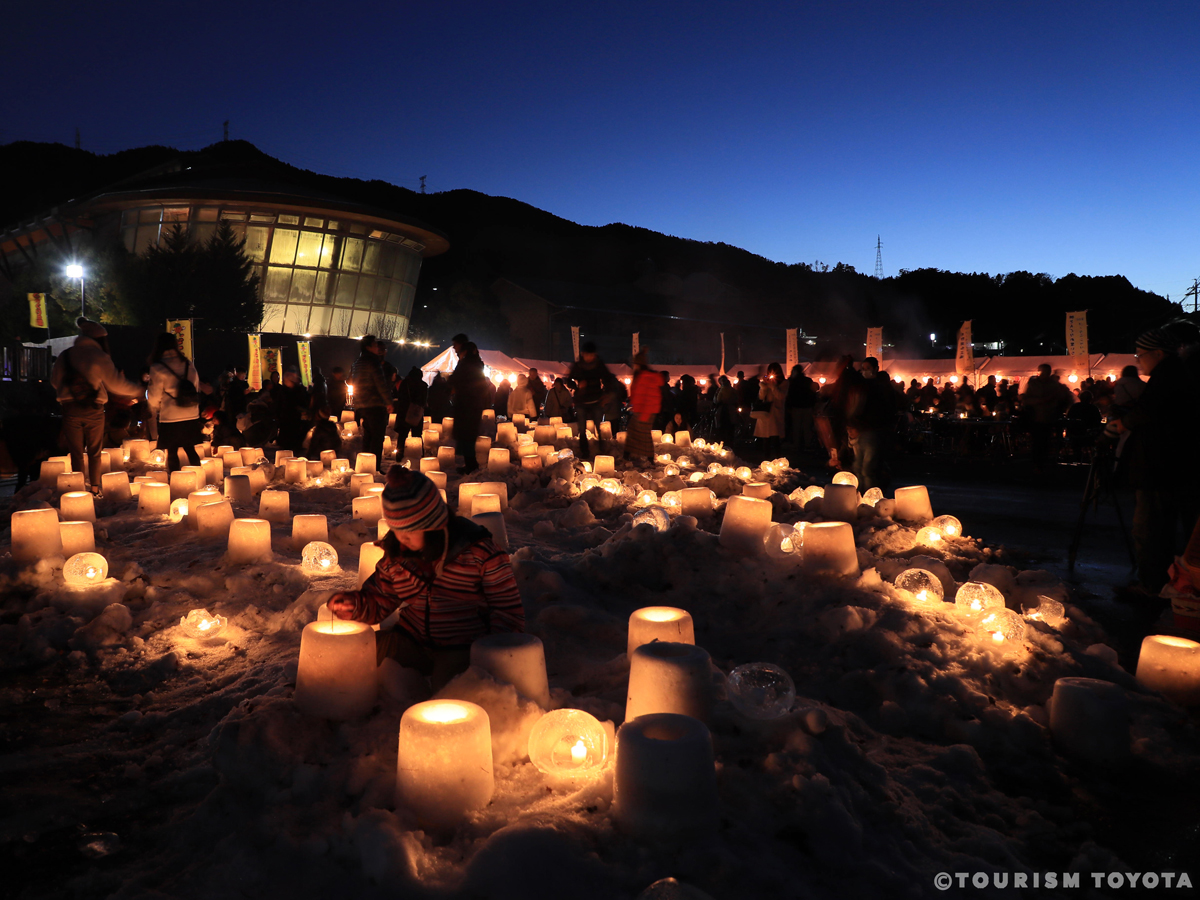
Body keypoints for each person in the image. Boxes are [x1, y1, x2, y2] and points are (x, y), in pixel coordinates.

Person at [325, 467, 525, 691]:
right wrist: (356, 605)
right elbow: (381, 596)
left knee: (452, 691)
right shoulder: (399, 556)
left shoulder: (480, 554)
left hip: (462, 646)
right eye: (396, 529)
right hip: (412, 638)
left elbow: (507, 611)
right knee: (353, 653)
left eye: (410, 531)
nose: (402, 538)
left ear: (433, 525)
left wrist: (490, 654)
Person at [1117, 329, 1200, 594]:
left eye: (1140, 355)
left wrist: (1124, 423)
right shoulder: (1181, 373)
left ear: (1158, 353)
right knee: (1168, 526)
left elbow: (1148, 411)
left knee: (1150, 528)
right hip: (1177, 464)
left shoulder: (1167, 377)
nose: (1139, 361)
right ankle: (1169, 582)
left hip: (1159, 466)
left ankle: (1152, 585)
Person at [50, 319, 143, 488]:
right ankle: (94, 486)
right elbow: (115, 384)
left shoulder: (65, 355)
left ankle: (78, 487)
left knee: (76, 452)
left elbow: (55, 382)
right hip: (93, 407)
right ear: (100, 339)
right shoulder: (99, 356)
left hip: (70, 408)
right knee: (94, 451)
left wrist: (73, 391)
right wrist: (137, 390)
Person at [846, 357, 897, 490]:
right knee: (858, 466)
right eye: (863, 368)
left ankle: (870, 495)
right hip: (863, 429)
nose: (865, 371)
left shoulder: (880, 387)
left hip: (874, 430)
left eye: (868, 368)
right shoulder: (863, 386)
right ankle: (861, 493)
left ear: (875, 369)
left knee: (868, 468)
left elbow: (886, 408)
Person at [350, 335, 392, 464]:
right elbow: (380, 384)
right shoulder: (373, 362)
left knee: (368, 436)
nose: (377, 347)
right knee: (377, 437)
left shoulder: (357, 363)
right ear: (368, 347)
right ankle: (374, 466)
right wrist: (389, 402)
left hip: (362, 405)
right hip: (375, 404)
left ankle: (365, 465)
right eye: (375, 345)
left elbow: (350, 381)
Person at [1021, 364, 1071, 470]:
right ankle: (1038, 464)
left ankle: (1041, 464)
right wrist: (1042, 401)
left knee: (1044, 442)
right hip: (1036, 417)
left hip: (1048, 417)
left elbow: (1062, 398)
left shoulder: (1052, 385)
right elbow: (1026, 400)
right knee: (1038, 442)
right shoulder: (1035, 384)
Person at [448, 342, 489, 473]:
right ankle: (470, 463)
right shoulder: (476, 364)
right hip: (472, 405)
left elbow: (458, 380)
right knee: (468, 436)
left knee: (466, 435)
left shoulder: (468, 364)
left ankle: (471, 465)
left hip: (467, 405)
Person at [569, 342, 612, 458]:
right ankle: (585, 452)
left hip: (596, 400)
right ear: (583, 354)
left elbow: (608, 379)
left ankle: (602, 449)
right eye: (587, 355)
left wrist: (607, 393)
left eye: (592, 355)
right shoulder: (578, 366)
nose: (589, 357)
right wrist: (577, 386)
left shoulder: (599, 365)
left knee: (599, 426)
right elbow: (568, 380)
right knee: (582, 428)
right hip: (581, 401)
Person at [625, 350, 660, 461]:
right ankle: (629, 454)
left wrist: (645, 414)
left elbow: (651, 397)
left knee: (643, 435)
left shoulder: (646, 377)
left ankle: (648, 458)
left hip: (646, 411)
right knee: (633, 432)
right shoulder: (640, 376)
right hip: (640, 410)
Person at [276, 366, 312, 455]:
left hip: (296, 418)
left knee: (295, 436)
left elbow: (304, 401)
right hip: (286, 417)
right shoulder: (283, 390)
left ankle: (294, 450)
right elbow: (279, 404)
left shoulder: (299, 390)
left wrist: (302, 409)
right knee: (287, 436)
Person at [754, 362, 788, 453]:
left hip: (776, 412)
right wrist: (763, 386)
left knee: (775, 438)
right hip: (765, 412)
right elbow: (761, 397)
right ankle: (766, 459)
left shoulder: (784, 383)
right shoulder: (766, 383)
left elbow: (780, 396)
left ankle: (778, 458)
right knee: (766, 438)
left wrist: (773, 386)